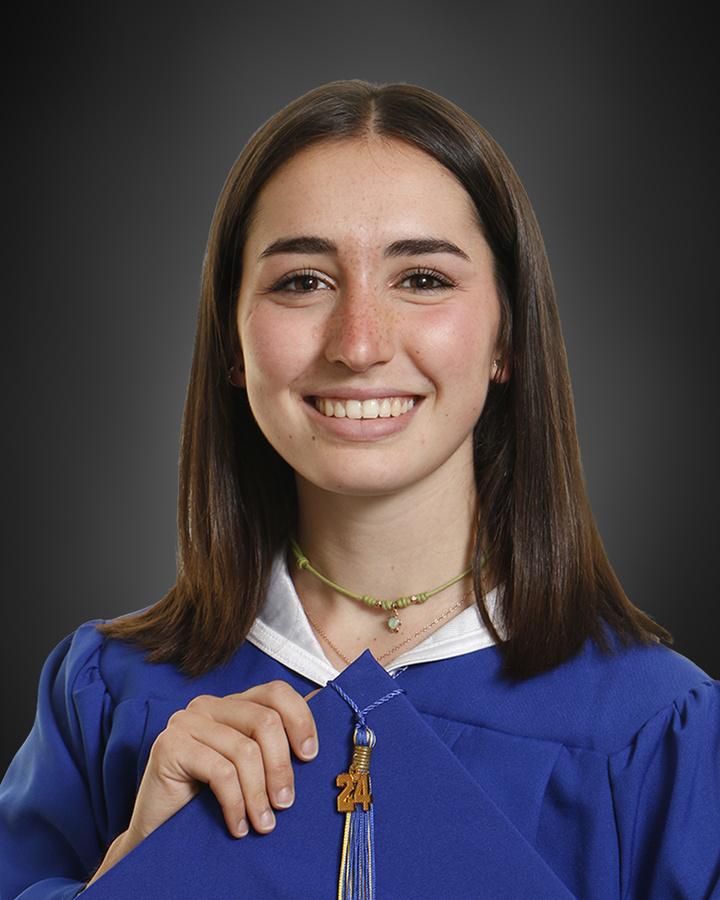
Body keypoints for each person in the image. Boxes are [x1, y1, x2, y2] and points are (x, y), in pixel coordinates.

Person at [1, 79, 718, 900]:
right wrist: (136, 870)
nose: (360, 344)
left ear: (507, 337)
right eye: (303, 280)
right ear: (233, 340)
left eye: (423, 279)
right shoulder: (108, 698)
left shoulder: (656, 736)